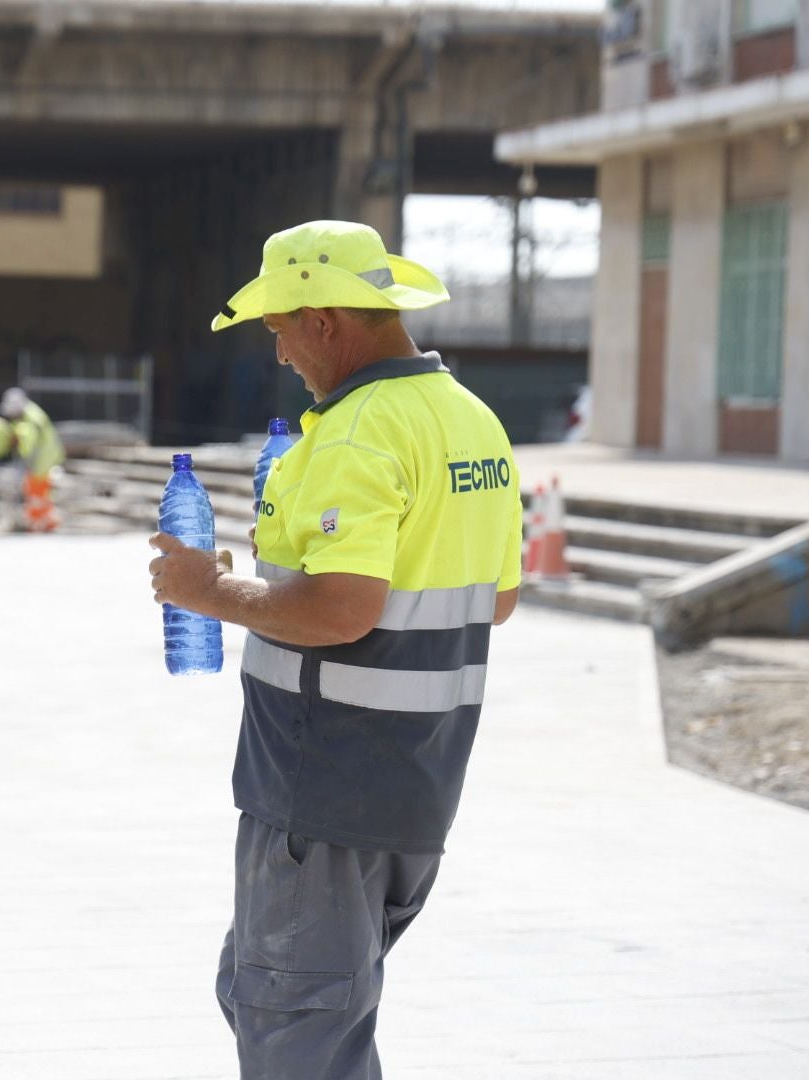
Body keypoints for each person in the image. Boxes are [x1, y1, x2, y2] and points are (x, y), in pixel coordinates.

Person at [147, 220, 521, 1079]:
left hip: (324, 786)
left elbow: (344, 608)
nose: (279, 355)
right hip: (415, 791)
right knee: (275, 998)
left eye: (279, 330)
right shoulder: (472, 423)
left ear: (323, 321)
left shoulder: (359, 431)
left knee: (296, 1034)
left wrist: (205, 593)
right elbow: (494, 600)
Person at [0, 387, 65, 532]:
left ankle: (38, 524)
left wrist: (27, 461)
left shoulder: (30, 418)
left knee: (36, 493)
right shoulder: (31, 413)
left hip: (41, 462)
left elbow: (31, 444)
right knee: (40, 494)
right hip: (43, 461)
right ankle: (45, 523)